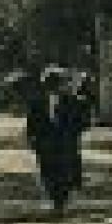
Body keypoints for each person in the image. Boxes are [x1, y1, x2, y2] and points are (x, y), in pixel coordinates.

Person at [25, 65, 91, 215]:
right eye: (51, 83)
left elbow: (83, 122)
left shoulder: (75, 101)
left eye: (58, 83)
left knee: (65, 172)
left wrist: (73, 132)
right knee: (47, 172)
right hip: (45, 144)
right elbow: (32, 122)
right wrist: (32, 139)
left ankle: (60, 202)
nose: (56, 87)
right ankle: (54, 198)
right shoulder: (37, 102)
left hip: (66, 143)